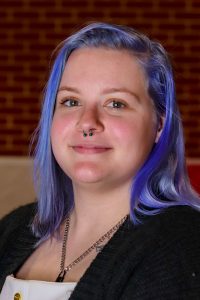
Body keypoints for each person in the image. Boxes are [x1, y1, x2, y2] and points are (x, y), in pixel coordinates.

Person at [0, 22, 200, 300]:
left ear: (159, 126)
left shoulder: (182, 246)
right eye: (70, 101)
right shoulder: (12, 230)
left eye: (116, 103)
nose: (87, 123)